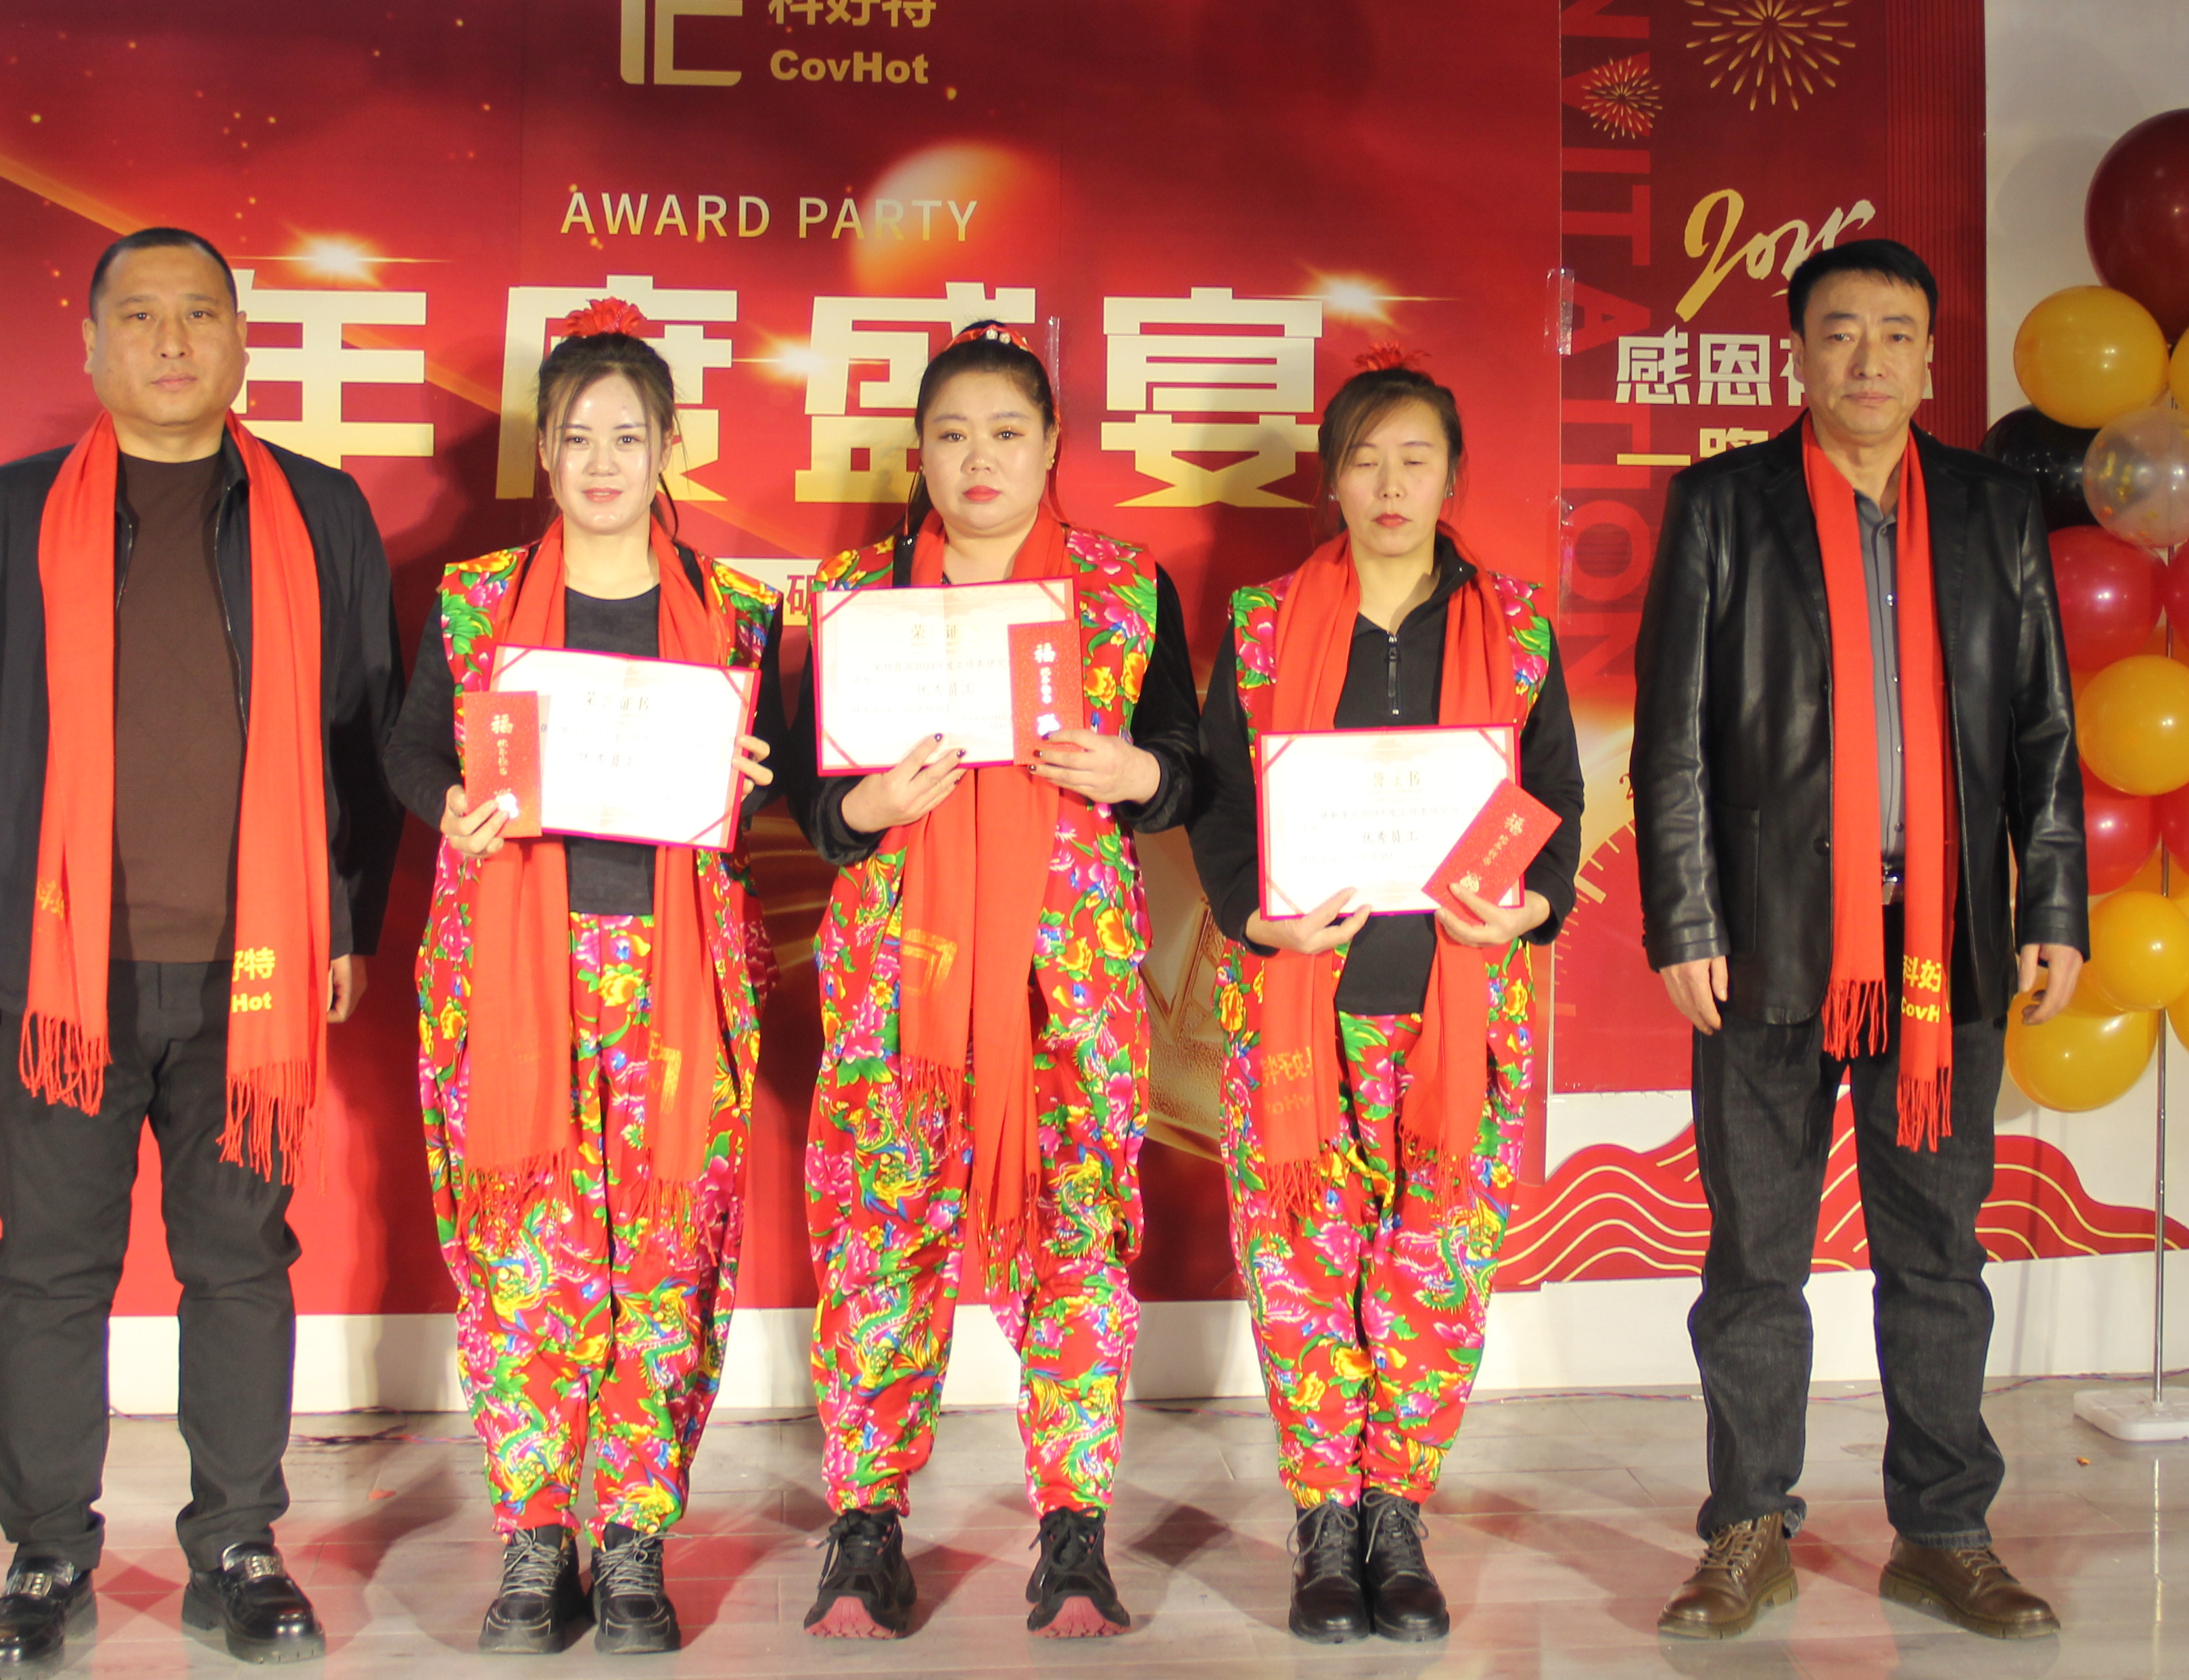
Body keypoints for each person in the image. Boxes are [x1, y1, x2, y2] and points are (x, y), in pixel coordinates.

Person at [0, 227, 401, 1669]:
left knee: (239, 1262)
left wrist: (345, 916)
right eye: (140, 316)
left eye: (199, 314)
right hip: (53, 978)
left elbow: (362, 741)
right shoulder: (1, 519)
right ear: (92, 343)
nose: (172, 342)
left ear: (240, 340)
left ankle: (238, 1545)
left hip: (253, 971)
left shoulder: (318, 511)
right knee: (52, 1268)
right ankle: (48, 1555)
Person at [1633, 239, 2088, 1645]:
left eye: (1896, 333)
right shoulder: (1725, 506)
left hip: (1944, 943)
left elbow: (2044, 730)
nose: (1869, 359)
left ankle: (1944, 1532)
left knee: (1938, 1255)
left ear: (1932, 357)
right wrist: (1684, 916)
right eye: (1840, 332)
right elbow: (1672, 735)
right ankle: (1748, 1528)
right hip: (1768, 944)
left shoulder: (1996, 511)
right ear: (1798, 354)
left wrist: (2054, 903)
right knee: (1755, 1258)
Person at [788, 323, 1210, 1640]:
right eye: (954, 434)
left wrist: (1136, 774)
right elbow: (805, 797)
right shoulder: (858, 593)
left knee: (1075, 1242)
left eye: (1008, 433)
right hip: (897, 989)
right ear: (917, 451)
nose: (980, 459)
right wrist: (861, 808)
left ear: (1052, 447)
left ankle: (1073, 1534)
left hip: (1065, 989)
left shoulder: (1123, 592)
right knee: (879, 1245)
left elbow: (1187, 767)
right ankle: (867, 1530)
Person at [381, 303, 790, 1655]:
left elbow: (782, 773)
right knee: (525, 1264)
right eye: (577, 437)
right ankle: (534, 1536)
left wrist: (751, 775)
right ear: (544, 453)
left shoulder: (736, 613)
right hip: (513, 965)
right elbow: (406, 748)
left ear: (671, 446)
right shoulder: (473, 601)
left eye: (629, 435)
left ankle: (634, 1544)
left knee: (667, 1262)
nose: (603, 461)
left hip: (678, 973)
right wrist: (449, 804)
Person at [1187, 356, 1582, 1646]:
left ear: (1452, 475)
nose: (1392, 484)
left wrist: (1534, 905)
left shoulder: (1517, 626)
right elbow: (1221, 807)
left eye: (1416, 458)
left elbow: (1556, 800)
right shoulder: (1263, 625)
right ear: (1333, 480)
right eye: (1365, 459)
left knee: (1436, 1270)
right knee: (1303, 1269)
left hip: (1459, 1004)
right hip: (1304, 998)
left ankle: (1397, 1516)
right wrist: (1253, 913)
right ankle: (1324, 1521)